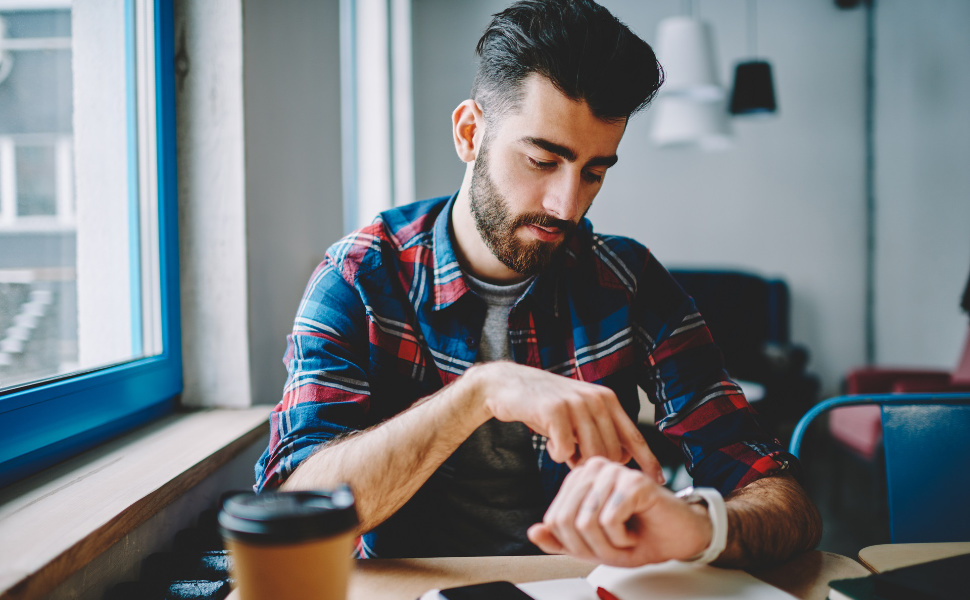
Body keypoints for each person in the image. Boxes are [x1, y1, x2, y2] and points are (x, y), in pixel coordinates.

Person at [255, 0, 821, 568]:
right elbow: (291, 509)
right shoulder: (361, 278)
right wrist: (479, 393)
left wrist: (699, 526)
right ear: (470, 132)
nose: (566, 205)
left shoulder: (629, 282)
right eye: (542, 160)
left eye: (594, 171)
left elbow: (783, 497)